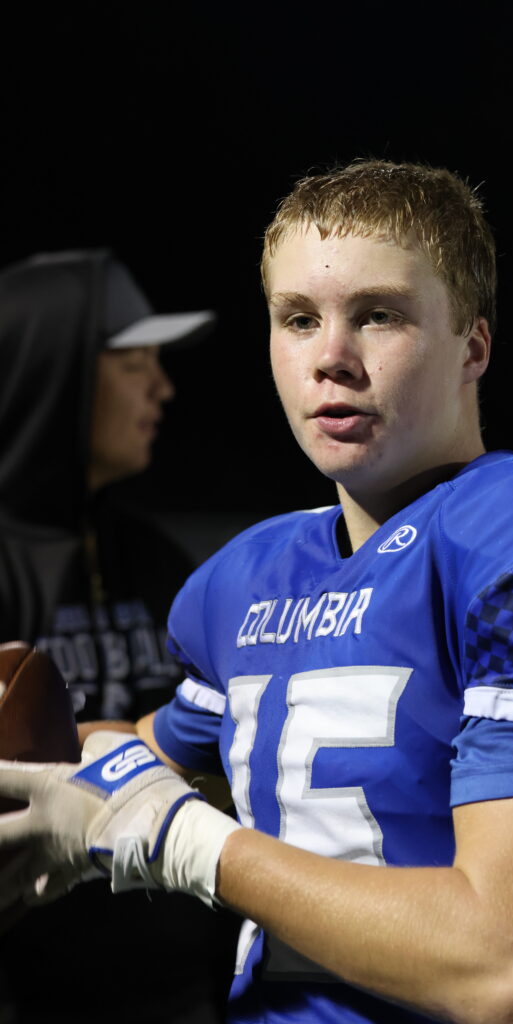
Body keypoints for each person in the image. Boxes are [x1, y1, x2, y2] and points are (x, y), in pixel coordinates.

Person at [1, 163, 513, 1024]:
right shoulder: (246, 579)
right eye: (298, 319)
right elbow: (147, 757)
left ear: (472, 347)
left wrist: (182, 839)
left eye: (378, 315)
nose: (330, 358)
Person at [0, 249, 240, 1023]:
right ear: (54, 376)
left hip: (181, 988)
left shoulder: (158, 560)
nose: (161, 387)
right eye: (134, 364)